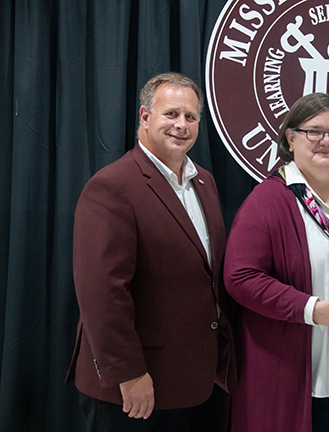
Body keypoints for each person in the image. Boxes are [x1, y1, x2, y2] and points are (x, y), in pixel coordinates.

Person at [65, 72, 237, 431]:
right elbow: (101, 294)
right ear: (144, 117)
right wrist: (129, 374)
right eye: (171, 114)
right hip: (135, 388)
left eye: (191, 117)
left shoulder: (204, 181)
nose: (181, 125)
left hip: (193, 380)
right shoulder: (112, 186)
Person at [224, 93, 329, 432]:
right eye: (314, 131)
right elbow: (240, 277)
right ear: (291, 137)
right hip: (288, 371)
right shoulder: (269, 200)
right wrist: (311, 310)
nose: (326, 141)